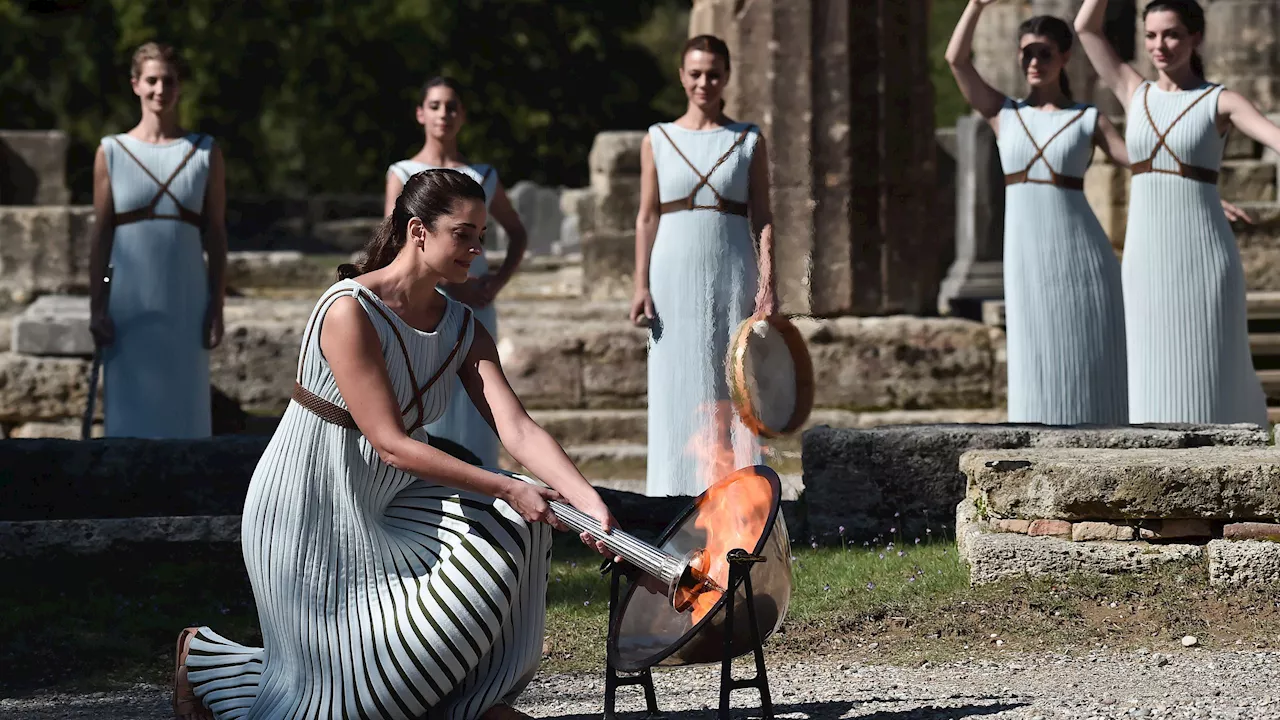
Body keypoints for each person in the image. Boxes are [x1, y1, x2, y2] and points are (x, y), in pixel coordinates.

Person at [172, 169, 617, 720]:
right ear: (418, 231)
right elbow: (389, 443)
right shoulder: (348, 311)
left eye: (481, 235)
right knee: (343, 697)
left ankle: (467, 708)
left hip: (391, 508)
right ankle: (208, 662)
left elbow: (518, 428)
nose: (477, 249)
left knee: (514, 525)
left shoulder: (463, 327)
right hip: (308, 511)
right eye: (464, 233)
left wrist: (589, 502)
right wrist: (508, 485)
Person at [1075, 0, 1274, 425]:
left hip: (1203, 255)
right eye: (1150, 35)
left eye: (1171, 34)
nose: (1159, 45)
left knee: (1213, 369)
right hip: (1145, 259)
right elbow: (1086, 28)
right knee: (1149, 372)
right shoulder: (1134, 90)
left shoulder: (1220, 101)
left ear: (1194, 38)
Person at [945, 5, 1130, 425]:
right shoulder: (1003, 114)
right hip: (1028, 259)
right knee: (1035, 358)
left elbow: (1142, 161)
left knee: (1092, 357)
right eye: (1026, 53)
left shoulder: (1088, 119)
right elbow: (956, 61)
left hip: (1085, 260)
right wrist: (975, 6)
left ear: (1065, 57)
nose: (1033, 62)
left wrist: (1209, 191)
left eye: (1044, 54)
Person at [631, 35, 775, 497]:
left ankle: (738, 496)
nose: (704, 82)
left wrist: (769, 283)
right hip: (672, 272)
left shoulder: (748, 139)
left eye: (713, 73)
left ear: (726, 76)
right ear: (681, 76)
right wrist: (640, 284)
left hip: (734, 268)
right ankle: (673, 497)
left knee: (733, 381)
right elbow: (647, 215)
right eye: (695, 73)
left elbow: (765, 216)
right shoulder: (658, 139)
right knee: (678, 382)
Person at [383, 76, 529, 469]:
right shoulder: (402, 171)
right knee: (429, 395)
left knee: (479, 395)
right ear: (420, 113)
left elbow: (517, 232)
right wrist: (450, 285)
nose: (443, 114)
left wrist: (495, 282)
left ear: (462, 115)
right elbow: (396, 239)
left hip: (476, 301)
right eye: (434, 105)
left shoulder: (481, 175)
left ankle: (481, 484)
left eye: (451, 106)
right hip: (422, 302)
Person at [87, 42, 226, 438]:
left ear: (179, 87)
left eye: (168, 80)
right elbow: (100, 236)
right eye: (151, 80)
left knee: (186, 414)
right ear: (135, 85)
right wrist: (96, 307)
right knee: (129, 417)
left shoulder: (205, 151)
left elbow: (216, 235)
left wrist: (216, 307)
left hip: (186, 299)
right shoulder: (111, 151)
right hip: (128, 304)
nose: (159, 89)